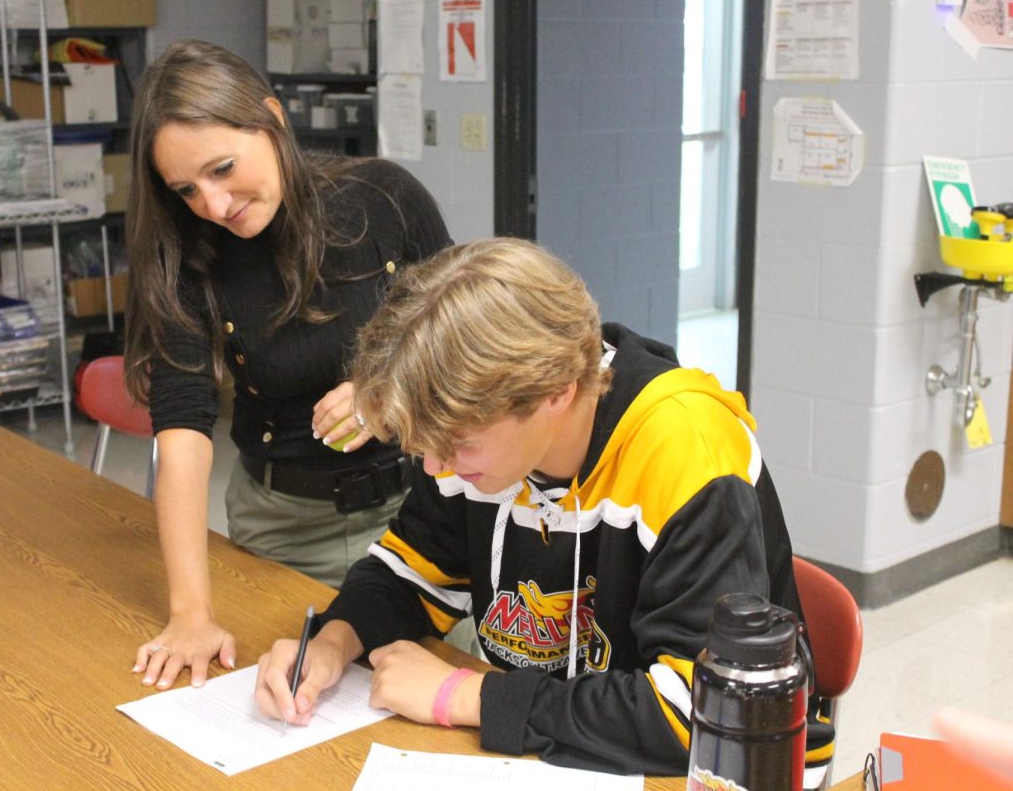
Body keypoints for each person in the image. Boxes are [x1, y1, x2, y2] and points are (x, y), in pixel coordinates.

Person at [255, 237, 834, 779]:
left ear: (556, 391)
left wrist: (467, 696)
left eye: (457, 444)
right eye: (423, 447)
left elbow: (699, 713)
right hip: (558, 749)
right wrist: (334, 641)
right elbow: (410, 572)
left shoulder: (686, 449)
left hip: (715, 772)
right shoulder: (469, 440)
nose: (435, 469)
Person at [122, 40, 451, 691]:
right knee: (283, 709)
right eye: (186, 189)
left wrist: (389, 390)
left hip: (420, 520)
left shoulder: (384, 199)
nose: (213, 205)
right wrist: (190, 613)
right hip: (283, 527)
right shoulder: (184, 254)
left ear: (271, 118)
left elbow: (460, 343)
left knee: (432, 700)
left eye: (222, 169)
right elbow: (183, 430)